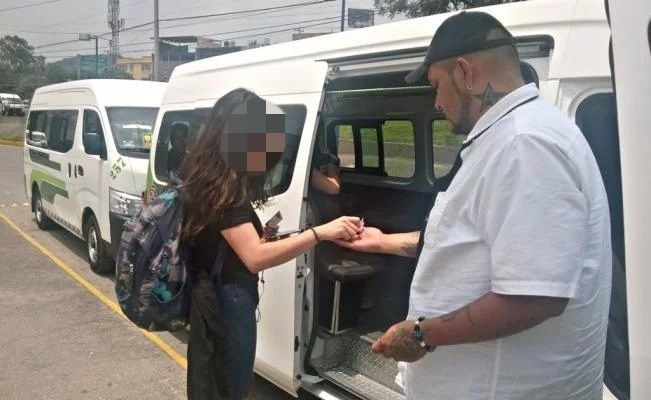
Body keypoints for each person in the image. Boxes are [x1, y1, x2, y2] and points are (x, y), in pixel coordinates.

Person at [336, 11, 612, 400]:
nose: (436, 103)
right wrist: (382, 242)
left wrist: (421, 334)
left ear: (465, 73)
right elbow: (467, 239)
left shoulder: (524, 145)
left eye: (436, 86)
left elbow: (534, 297)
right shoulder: (514, 136)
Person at [176, 88, 364, 400]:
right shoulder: (225, 190)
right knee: (230, 385)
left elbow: (231, 244)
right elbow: (254, 258)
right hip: (227, 299)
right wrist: (320, 233)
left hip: (216, 291)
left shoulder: (210, 178)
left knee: (215, 379)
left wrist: (262, 238)